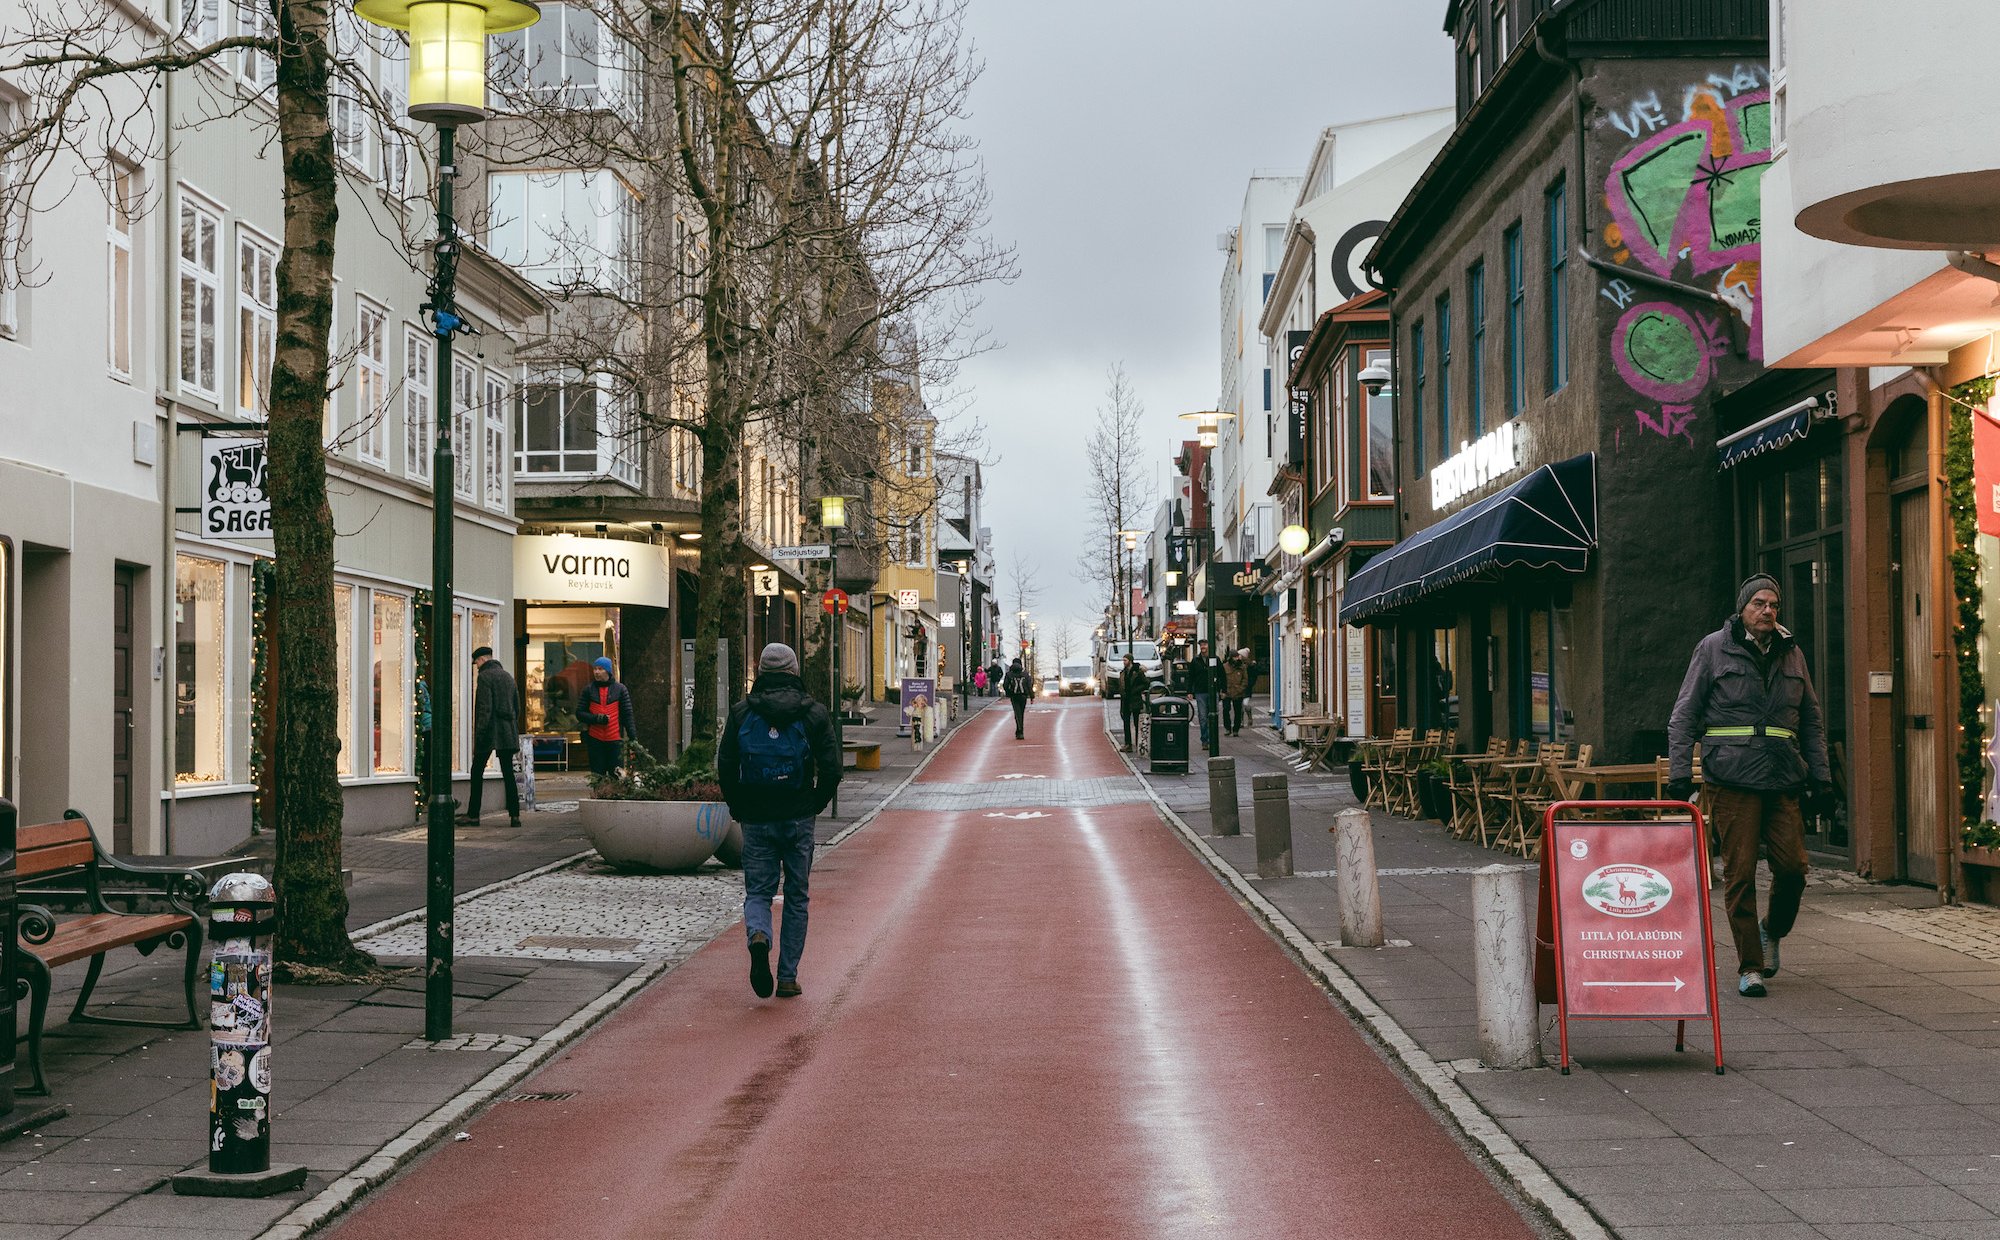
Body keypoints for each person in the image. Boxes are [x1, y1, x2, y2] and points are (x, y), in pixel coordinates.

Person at [1666, 573, 1835, 999]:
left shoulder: (1792, 653)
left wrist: (1822, 778)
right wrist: (1680, 774)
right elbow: (1684, 713)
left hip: (1781, 777)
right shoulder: (1713, 649)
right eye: (1759, 603)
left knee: (1794, 868)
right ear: (1743, 608)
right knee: (1739, 873)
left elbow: (1811, 720)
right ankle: (1750, 967)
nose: (1767, 611)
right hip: (1732, 778)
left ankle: (1771, 929)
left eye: (1774, 605)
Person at [719, 643, 841, 1000]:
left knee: (758, 891)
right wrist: (814, 803)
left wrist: (738, 806)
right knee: (797, 895)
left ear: (760, 671)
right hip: (798, 814)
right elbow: (832, 767)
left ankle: (759, 935)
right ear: (794, 670)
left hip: (756, 815)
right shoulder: (813, 712)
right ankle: (787, 977)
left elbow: (726, 764)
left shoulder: (743, 713)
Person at [459, 646, 522, 828]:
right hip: (507, 731)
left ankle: (473, 815)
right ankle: (515, 815)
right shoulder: (508, 676)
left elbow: (484, 708)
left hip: (490, 732)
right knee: (508, 773)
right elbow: (516, 706)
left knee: (477, 771)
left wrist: (479, 734)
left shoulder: (485, 677)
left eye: (477, 663)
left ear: (482, 660)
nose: (477, 667)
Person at [577, 656, 635, 778]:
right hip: (595, 740)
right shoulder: (588, 690)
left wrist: (633, 738)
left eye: (600, 669)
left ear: (608, 671)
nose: (596, 672)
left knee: (616, 775)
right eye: (595, 669)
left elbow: (627, 715)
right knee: (598, 775)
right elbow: (579, 713)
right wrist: (596, 718)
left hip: (614, 740)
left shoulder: (620, 689)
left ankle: (614, 795)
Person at [1186, 640, 1217, 749]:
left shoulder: (1215, 659)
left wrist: (1223, 689)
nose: (1203, 647)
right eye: (1201, 645)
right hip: (1200, 692)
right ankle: (1205, 740)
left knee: (1213, 716)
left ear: (1209, 646)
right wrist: (1189, 691)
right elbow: (1191, 676)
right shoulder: (1195, 660)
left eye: (1205, 644)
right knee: (1203, 717)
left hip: (1213, 691)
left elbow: (1221, 674)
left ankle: (1213, 739)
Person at [1117, 653, 1148, 752]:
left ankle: (1139, 743)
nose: (1124, 662)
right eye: (1123, 660)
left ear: (1130, 661)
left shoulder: (1137, 671)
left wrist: (1136, 690)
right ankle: (1128, 744)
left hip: (1135, 699)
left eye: (1125, 660)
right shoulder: (1123, 672)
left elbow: (1146, 683)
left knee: (1136, 722)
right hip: (1125, 700)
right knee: (1126, 722)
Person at [1222, 648, 1252, 737]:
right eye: (1234, 657)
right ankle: (1227, 728)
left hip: (1238, 692)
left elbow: (1245, 680)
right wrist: (1222, 690)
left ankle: (1236, 729)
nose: (1236, 659)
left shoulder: (1242, 667)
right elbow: (1221, 679)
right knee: (1226, 710)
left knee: (1238, 711)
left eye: (1237, 657)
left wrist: (1240, 689)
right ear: (1230, 658)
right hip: (1227, 692)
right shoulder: (1225, 666)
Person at [1003, 656, 1032, 739]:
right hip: (1023, 696)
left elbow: (1005, 685)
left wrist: (1009, 693)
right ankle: (1020, 730)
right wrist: (1031, 696)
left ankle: (1019, 730)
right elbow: (1029, 685)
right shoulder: (1025, 674)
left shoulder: (1009, 674)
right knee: (1021, 713)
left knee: (1017, 712)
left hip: (1014, 696)